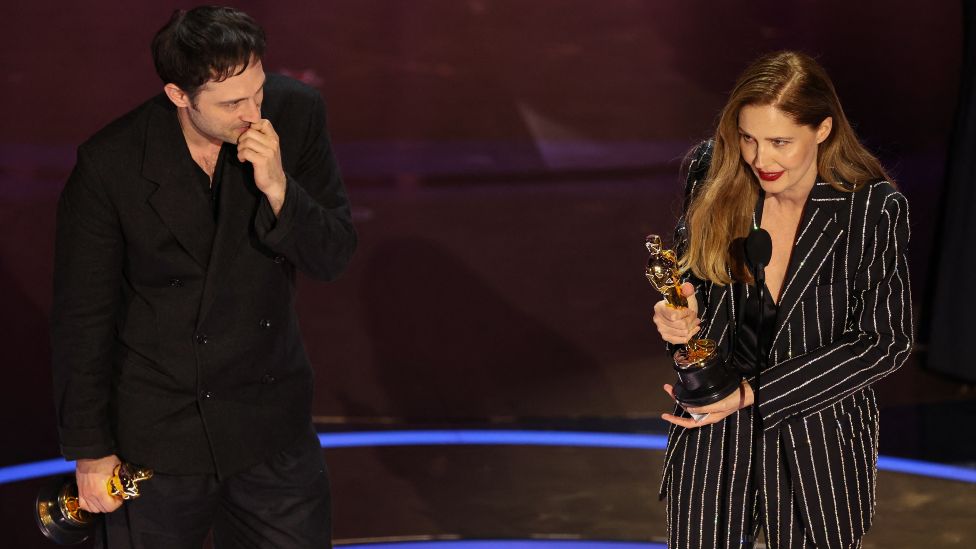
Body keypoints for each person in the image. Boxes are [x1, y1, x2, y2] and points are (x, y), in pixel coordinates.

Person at [51, 6, 356, 548]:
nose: (253, 112)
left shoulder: (297, 112)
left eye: (257, 91)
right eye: (232, 103)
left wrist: (281, 191)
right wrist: (91, 449)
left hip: (269, 424)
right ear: (178, 96)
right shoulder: (111, 164)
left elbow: (333, 256)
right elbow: (83, 316)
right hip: (158, 435)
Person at [651, 51, 912, 549]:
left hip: (816, 443)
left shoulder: (870, 209)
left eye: (779, 142)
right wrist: (679, 327)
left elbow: (884, 343)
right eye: (748, 138)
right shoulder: (716, 173)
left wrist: (754, 394)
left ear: (824, 130)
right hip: (714, 435)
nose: (760, 159)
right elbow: (691, 291)